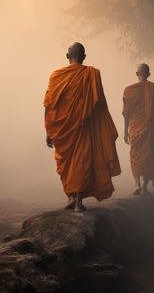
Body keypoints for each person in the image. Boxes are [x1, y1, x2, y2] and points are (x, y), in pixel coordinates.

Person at [44, 42, 121, 212]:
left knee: (67, 163)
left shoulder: (56, 76)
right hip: (83, 127)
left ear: (67, 55)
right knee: (81, 162)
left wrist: (48, 131)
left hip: (62, 129)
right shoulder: (91, 75)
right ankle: (75, 200)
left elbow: (48, 106)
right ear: (84, 56)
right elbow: (100, 105)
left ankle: (74, 199)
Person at [122, 63, 154, 195]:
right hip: (151, 130)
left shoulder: (128, 90)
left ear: (136, 73)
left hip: (135, 129)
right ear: (149, 74)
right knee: (149, 157)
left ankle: (137, 184)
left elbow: (126, 113)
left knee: (135, 156)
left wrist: (124, 131)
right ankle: (144, 187)